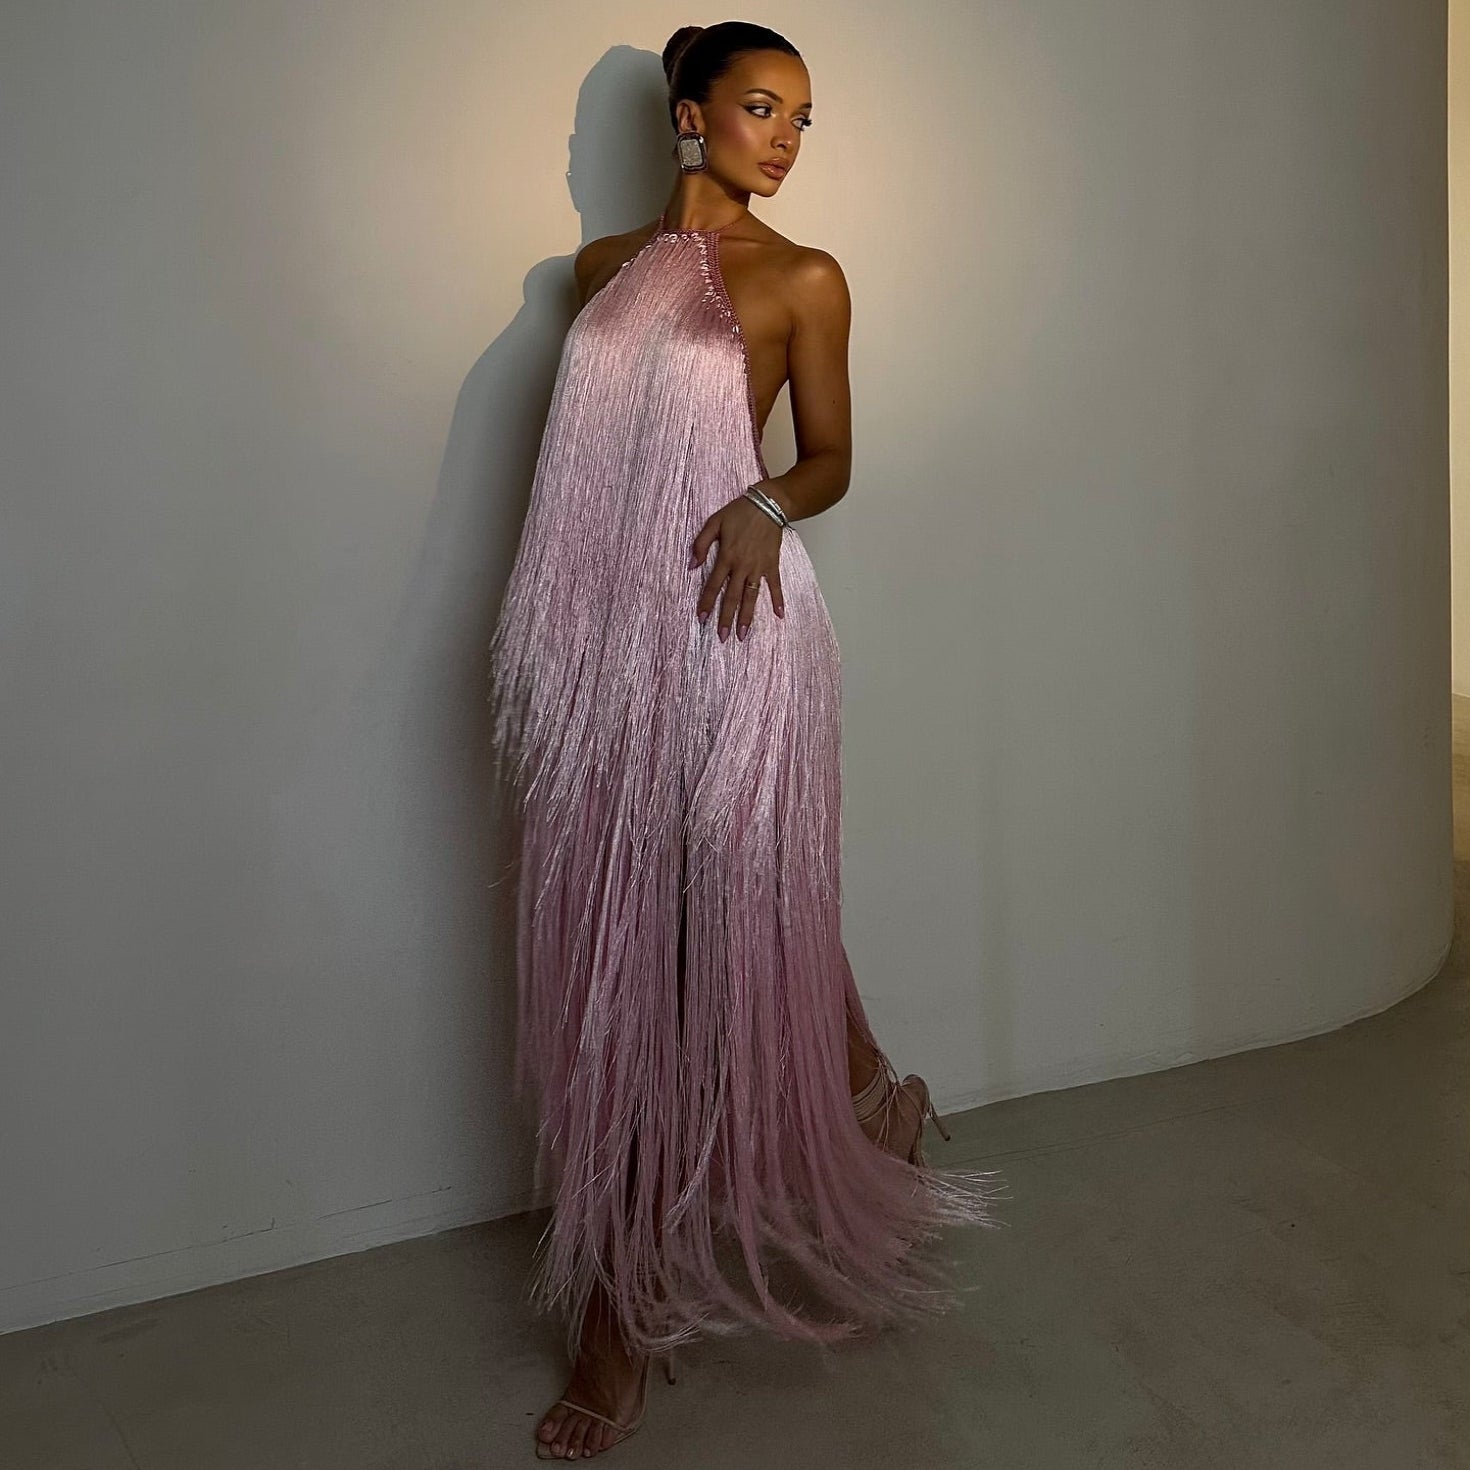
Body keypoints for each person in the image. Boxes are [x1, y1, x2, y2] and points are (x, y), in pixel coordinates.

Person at [486, 22, 1007, 1461]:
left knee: (731, 923)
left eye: (802, 118)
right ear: (688, 115)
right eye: (760, 107)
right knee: (635, 947)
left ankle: (631, 1297)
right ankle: (831, 1124)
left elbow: (832, 450)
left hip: (734, 640)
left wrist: (763, 504)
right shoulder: (596, 279)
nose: (783, 136)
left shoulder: (802, 278)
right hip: (602, 656)